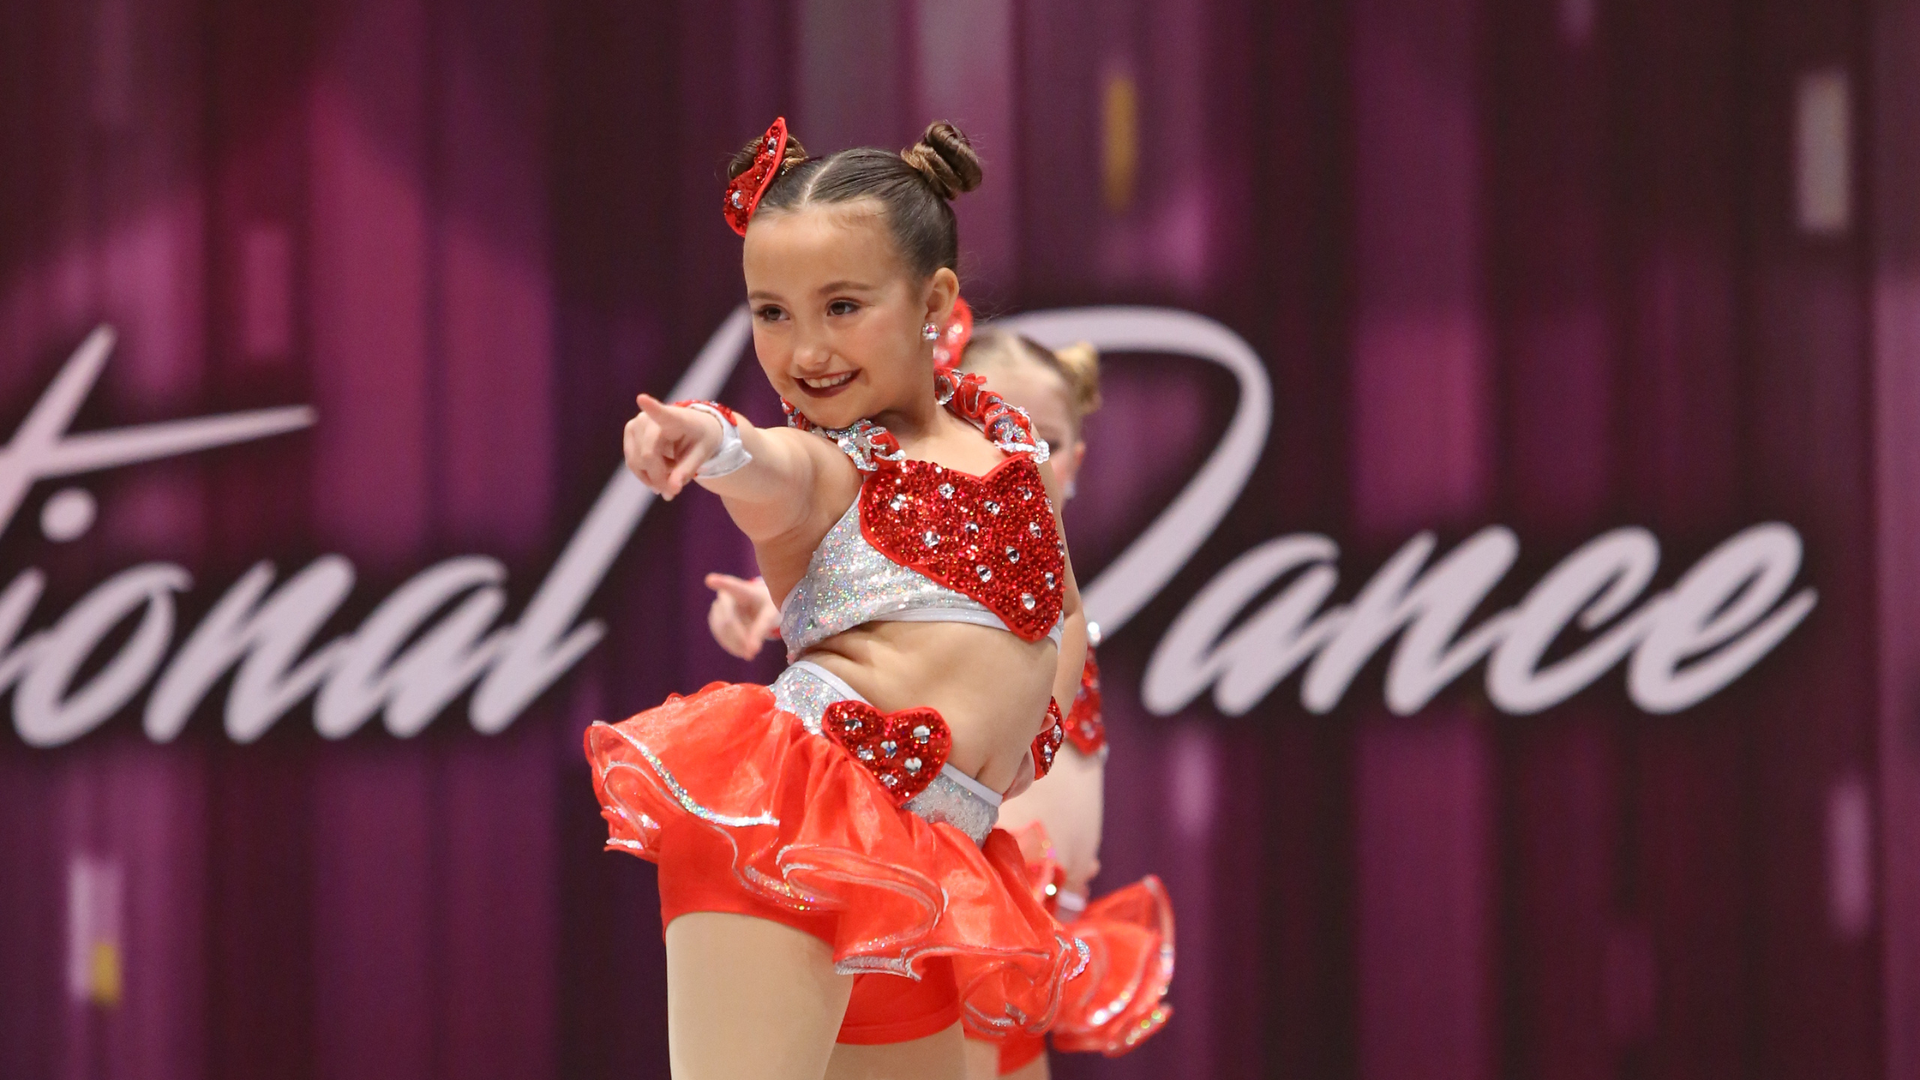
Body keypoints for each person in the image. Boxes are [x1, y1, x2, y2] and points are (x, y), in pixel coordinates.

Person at [588, 117, 1087, 1080]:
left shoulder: (1012, 448)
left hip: (947, 859)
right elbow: (762, 460)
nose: (804, 348)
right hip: (797, 831)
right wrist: (705, 438)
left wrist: (1040, 723)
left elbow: (1061, 607)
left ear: (936, 301)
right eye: (770, 313)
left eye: (842, 306)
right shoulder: (829, 466)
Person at [706, 324, 1174, 1080]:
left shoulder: (1058, 598)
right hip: (956, 904)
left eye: (1041, 440)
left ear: (1077, 461)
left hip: (1026, 926)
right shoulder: (932, 568)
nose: (1015, 454)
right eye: (993, 427)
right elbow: (871, 582)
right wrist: (766, 605)